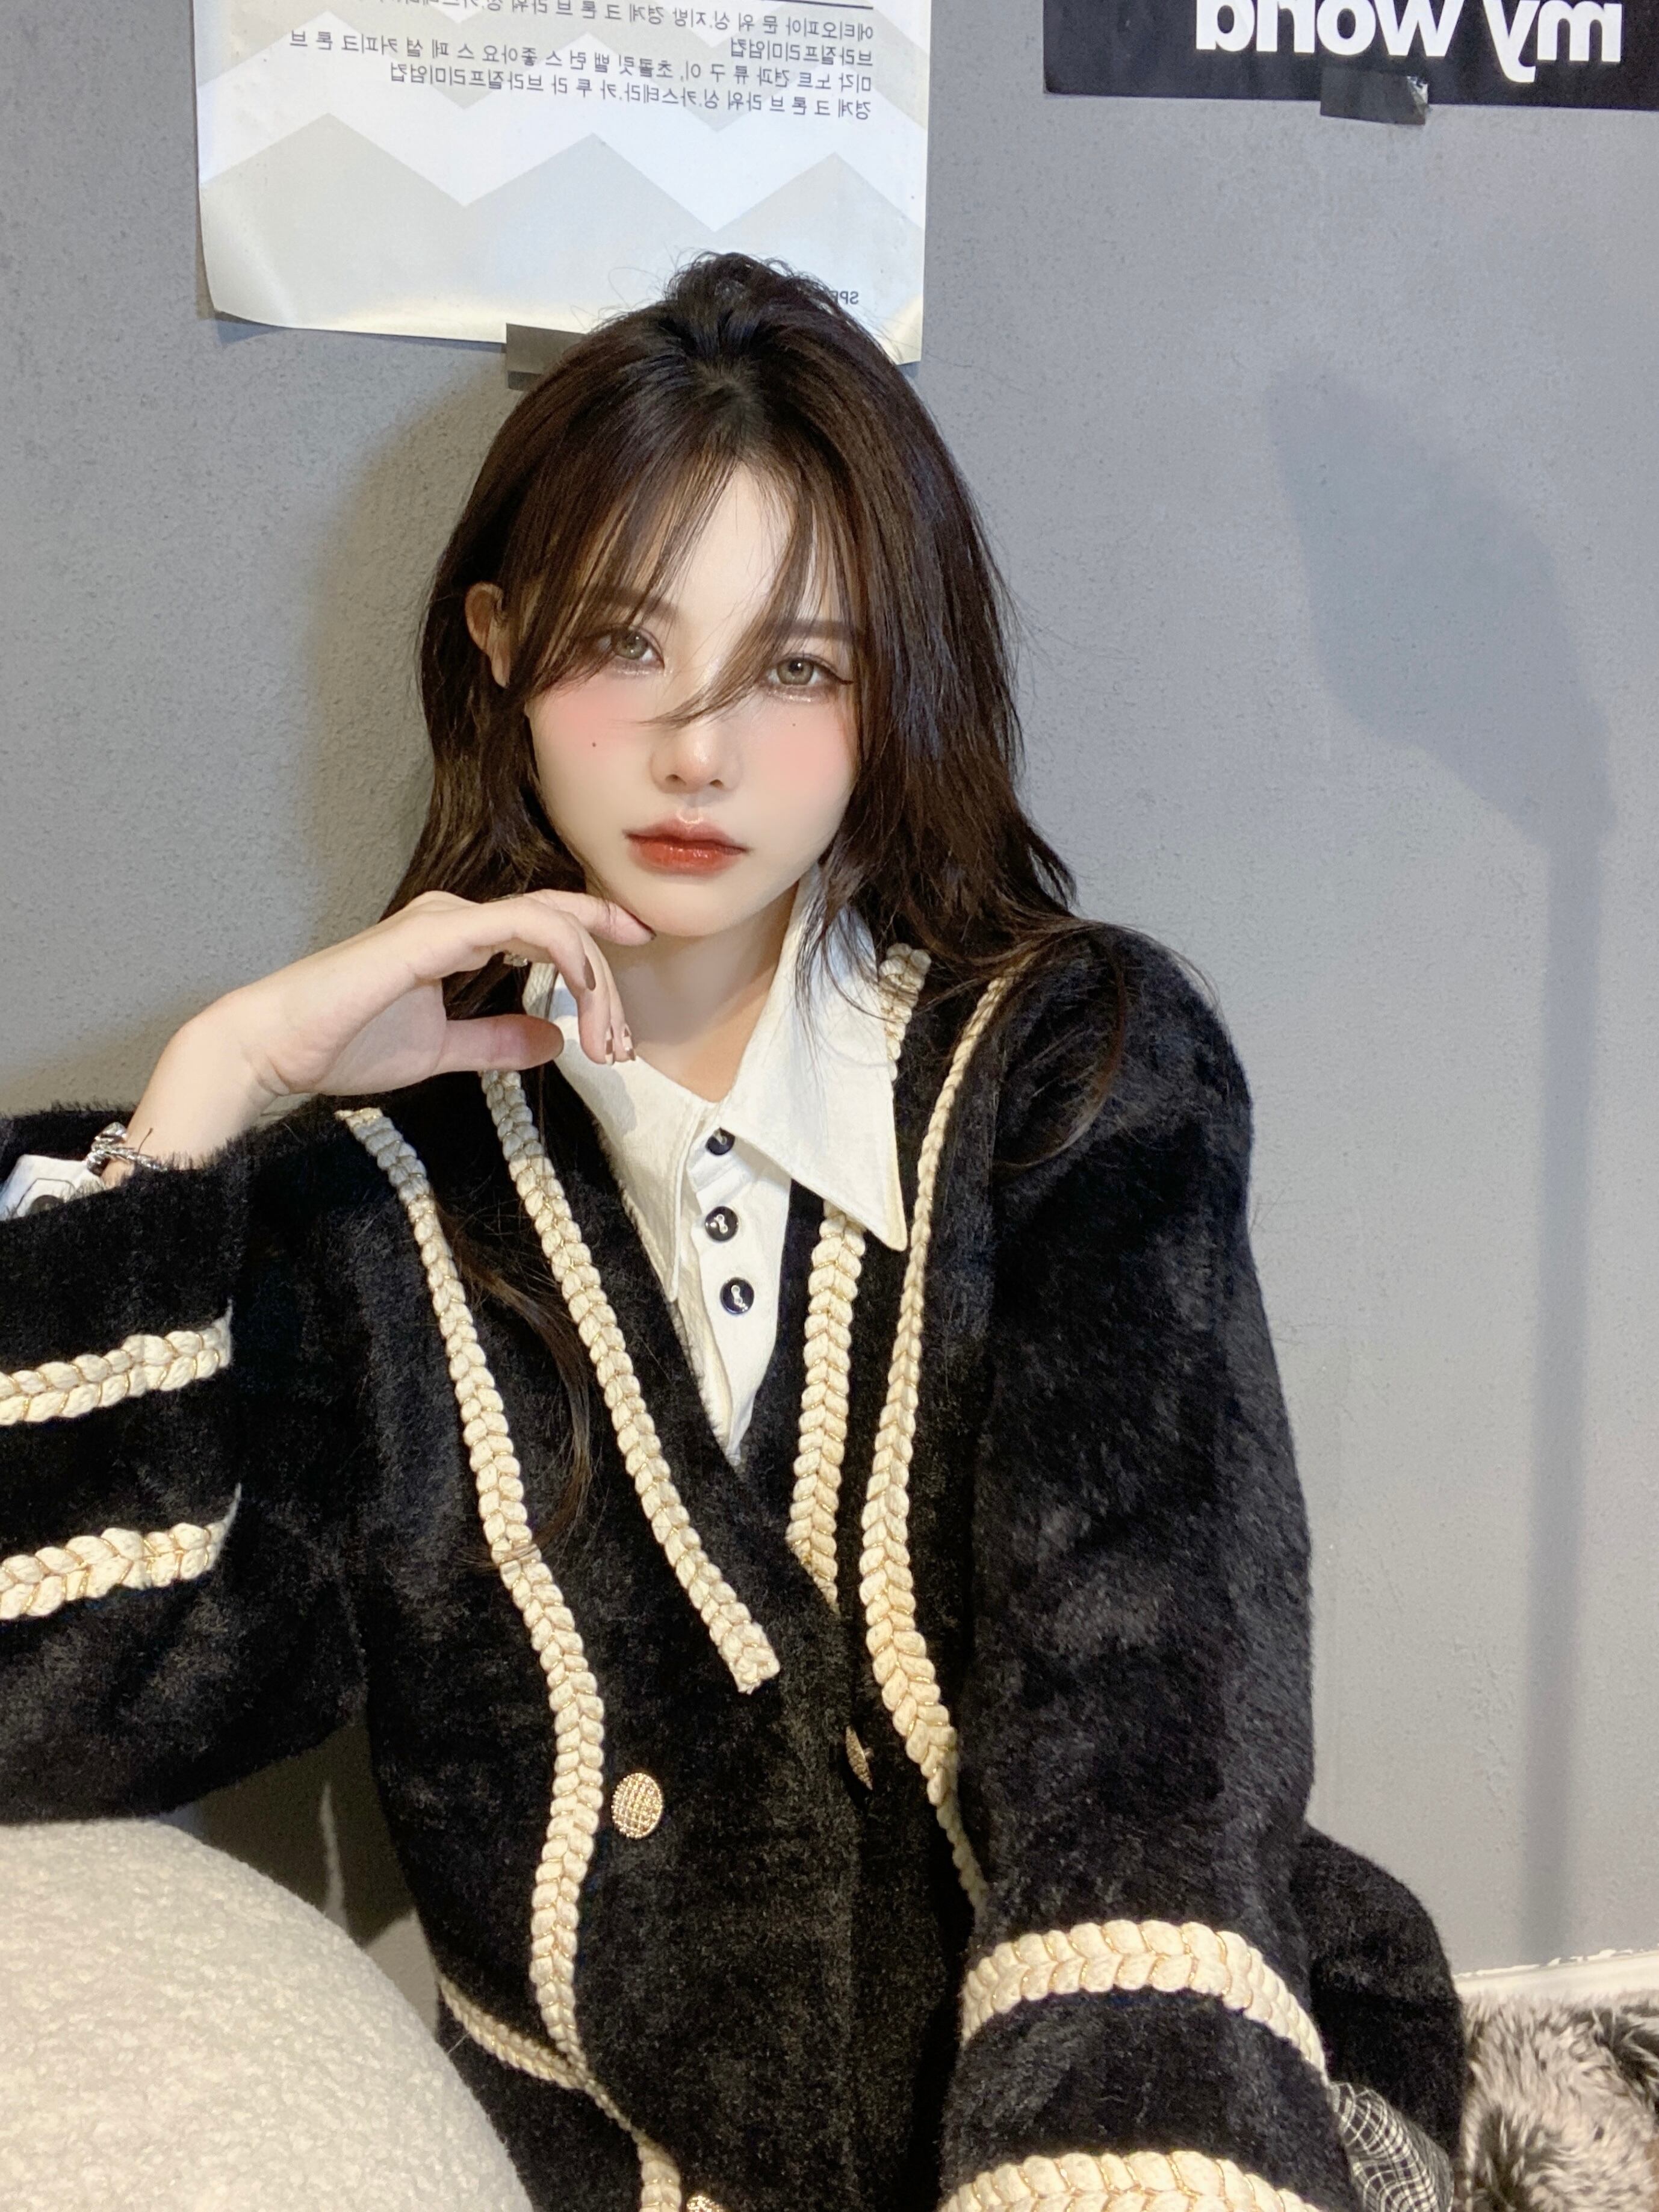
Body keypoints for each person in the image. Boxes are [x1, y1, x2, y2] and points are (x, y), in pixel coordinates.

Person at [0, 255, 1463, 2212]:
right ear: (501, 643)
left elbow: (1150, 1691)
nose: (698, 753)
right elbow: (60, 1714)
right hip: (633, 2158)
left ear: (894, 685)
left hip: (1144, 2077)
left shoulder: (1078, 1066)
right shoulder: (381, 1194)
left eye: (797, 667)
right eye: (625, 644)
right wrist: (214, 1087)